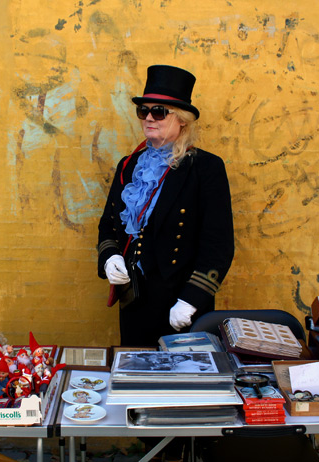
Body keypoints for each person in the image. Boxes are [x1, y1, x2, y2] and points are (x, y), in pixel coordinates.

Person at [97, 64, 235, 347]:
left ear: (182, 119)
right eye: (143, 111)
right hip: (133, 298)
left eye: (158, 111)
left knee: (183, 383)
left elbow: (218, 245)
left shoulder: (205, 168)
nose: (148, 117)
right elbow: (108, 224)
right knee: (136, 377)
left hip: (180, 304)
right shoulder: (129, 165)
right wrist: (110, 257)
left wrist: (192, 299)